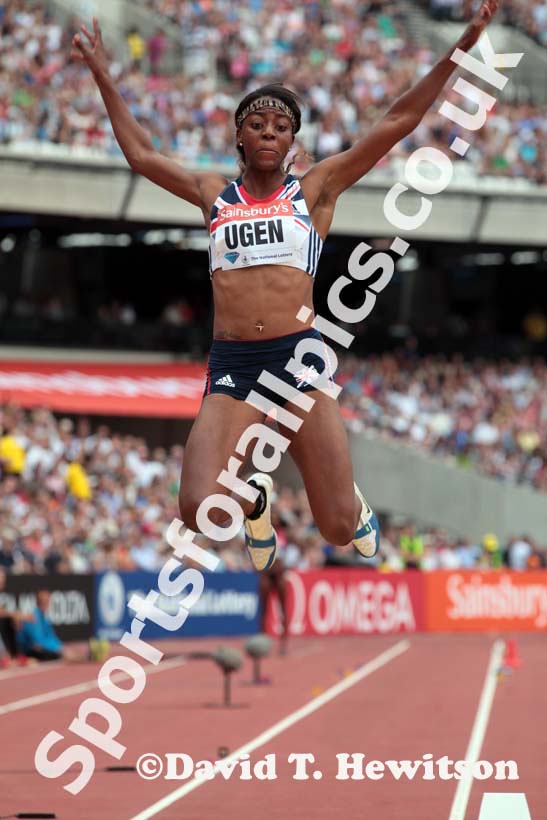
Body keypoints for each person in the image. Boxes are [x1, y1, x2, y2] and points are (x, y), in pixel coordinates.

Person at [71, 2, 499, 573]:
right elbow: (142, 155)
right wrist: (103, 73)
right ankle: (254, 499)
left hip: (297, 363)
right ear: (240, 139)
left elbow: (397, 122)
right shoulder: (212, 193)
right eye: (257, 125)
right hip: (234, 366)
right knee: (196, 505)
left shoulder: (315, 190)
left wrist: (463, 47)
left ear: (293, 143)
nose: (270, 133)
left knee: (339, 528)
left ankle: (354, 505)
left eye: (281, 127)